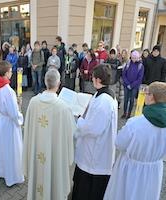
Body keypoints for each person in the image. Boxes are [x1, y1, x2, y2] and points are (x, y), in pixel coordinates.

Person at [104, 81, 166, 200]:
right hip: (153, 170)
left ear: (152, 97)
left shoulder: (136, 123)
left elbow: (119, 143)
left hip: (131, 169)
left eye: (146, 93)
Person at [23, 68, 76, 200]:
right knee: (54, 182)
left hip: (37, 153)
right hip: (54, 157)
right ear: (58, 85)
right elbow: (73, 134)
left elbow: (28, 130)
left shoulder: (33, 102)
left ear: (45, 82)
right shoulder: (64, 108)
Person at [72, 64, 118, 200]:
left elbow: (94, 129)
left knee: (87, 192)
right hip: (93, 150)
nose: (91, 79)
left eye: (93, 77)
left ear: (98, 80)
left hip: (95, 154)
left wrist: (79, 120)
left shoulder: (104, 101)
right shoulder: (102, 94)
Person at [0, 61, 24, 186]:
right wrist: (20, 118)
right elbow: (14, 113)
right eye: (10, 71)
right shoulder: (8, 90)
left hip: (1, 119)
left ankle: (2, 171)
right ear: (5, 73)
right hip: (10, 123)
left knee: (3, 148)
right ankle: (13, 176)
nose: (12, 73)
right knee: (12, 149)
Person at [122, 50, 144, 119]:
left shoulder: (141, 66)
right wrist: (127, 84)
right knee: (125, 100)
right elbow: (124, 74)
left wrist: (131, 85)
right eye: (132, 57)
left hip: (134, 87)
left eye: (135, 58)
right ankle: (124, 113)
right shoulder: (128, 63)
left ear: (138, 58)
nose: (134, 59)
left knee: (132, 100)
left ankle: (129, 114)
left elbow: (140, 78)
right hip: (126, 85)